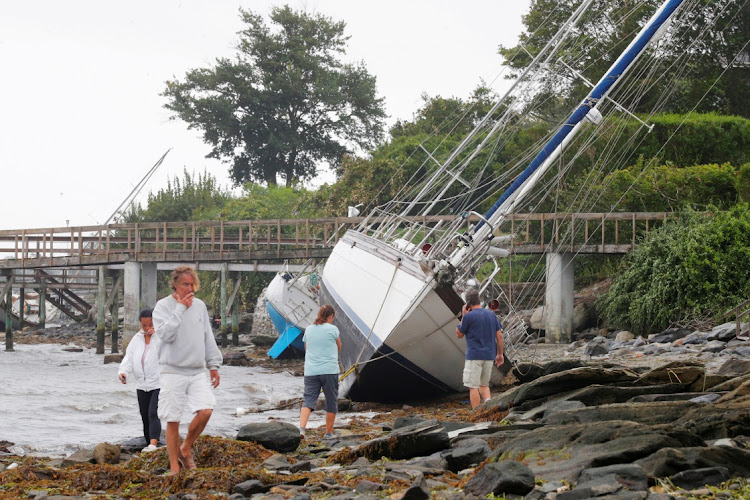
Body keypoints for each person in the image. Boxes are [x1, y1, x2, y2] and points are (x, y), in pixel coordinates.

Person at [152, 266, 223, 475]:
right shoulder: (162, 306)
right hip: (171, 371)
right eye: (185, 284)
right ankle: (175, 467)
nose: (190, 288)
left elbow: (207, 337)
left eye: (192, 284)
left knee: (206, 410)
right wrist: (180, 308)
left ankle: (186, 447)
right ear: (175, 284)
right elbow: (165, 335)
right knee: (172, 420)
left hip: (196, 370)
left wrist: (213, 365)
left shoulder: (200, 306)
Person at [117, 309, 161, 452]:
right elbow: (129, 358)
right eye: (144, 325)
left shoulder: (162, 337)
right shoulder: (137, 338)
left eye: (150, 325)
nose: (147, 328)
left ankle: (153, 444)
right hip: (141, 384)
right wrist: (123, 372)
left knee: (153, 413)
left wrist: (158, 334)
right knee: (144, 415)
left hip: (158, 383)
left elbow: (171, 352)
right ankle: (149, 443)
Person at [456, 289, 504, 409]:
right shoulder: (491, 314)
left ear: (468, 303)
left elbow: (459, 334)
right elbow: (499, 337)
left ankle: (477, 413)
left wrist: (463, 316)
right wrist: (500, 354)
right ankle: (489, 405)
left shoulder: (468, 317)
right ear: (479, 300)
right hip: (489, 356)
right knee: (484, 385)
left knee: (473, 387)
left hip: (474, 356)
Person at [299, 304, 342, 439]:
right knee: (331, 401)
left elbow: (307, 348)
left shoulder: (309, 329)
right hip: (329, 371)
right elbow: (339, 346)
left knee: (308, 401)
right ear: (330, 316)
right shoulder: (333, 329)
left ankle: (301, 430)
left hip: (311, 371)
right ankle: (328, 433)